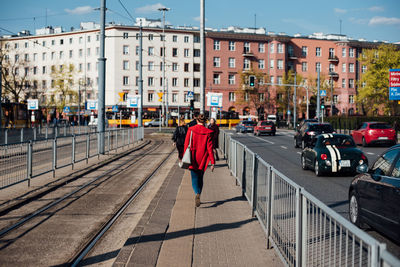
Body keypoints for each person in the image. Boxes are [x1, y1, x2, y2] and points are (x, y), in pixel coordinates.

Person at [183, 113, 215, 207]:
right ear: (205, 121)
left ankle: (196, 192)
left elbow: (186, 145)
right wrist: (212, 162)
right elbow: (210, 148)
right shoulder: (208, 132)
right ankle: (199, 193)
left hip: (192, 157)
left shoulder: (191, 129)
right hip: (203, 158)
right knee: (201, 177)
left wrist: (184, 157)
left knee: (194, 177)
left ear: (197, 120)